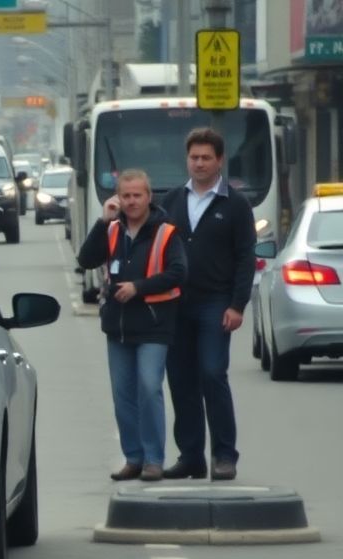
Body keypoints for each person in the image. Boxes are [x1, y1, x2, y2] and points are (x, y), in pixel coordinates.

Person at [159, 128, 257, 481]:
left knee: (213, 374)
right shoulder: (170, 202)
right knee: (181, 381)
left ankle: (225, 456)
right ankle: (190, 457)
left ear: (219, 161)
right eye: (194, 157)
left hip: (216, 303)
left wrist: (237, 305)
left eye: (206, 158)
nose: (199, 163)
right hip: (175, 305)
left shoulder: (235, 204)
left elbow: (246, 258)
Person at [78, 169, 188, 481]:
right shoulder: (111, 230)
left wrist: (138, 287)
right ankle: (134, 458)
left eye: (137, 195)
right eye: (125, 196)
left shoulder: (166, 232)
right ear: (118, 198)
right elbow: (86, 259)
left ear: (148, 197)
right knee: (122, 394)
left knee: (149, 387)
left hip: (154, 324)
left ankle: (154, 459)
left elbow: (179, 273)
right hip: (119, 326)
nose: (131, 201)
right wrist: (102, 222)